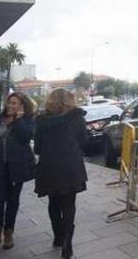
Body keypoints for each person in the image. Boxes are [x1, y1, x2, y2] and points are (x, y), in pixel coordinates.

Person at [34, 88, 88, 258]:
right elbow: (83, 141)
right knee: (69, 204)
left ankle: (58, 235)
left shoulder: (42, 120)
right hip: (71, 165)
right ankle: (67, 243)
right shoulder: (77, 117)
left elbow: (37, 147)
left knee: (53, 202)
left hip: (49, 167)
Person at [0, 92, 36, 250]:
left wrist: (18, 120)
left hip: (16, 169)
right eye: (10, 103)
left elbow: (26, 138)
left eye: (15, 103)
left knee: (13, 202)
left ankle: (9, 232)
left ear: (22, 107)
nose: (11, 106)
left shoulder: (27, 122)